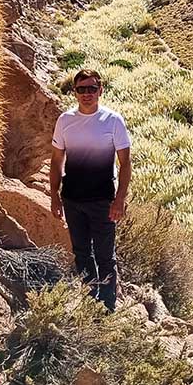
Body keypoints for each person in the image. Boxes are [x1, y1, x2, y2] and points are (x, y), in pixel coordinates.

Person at [49, 69, 131, 311]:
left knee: (106, 257)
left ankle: (106, 308)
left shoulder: (113, 121)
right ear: (74, 92)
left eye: (92, 89)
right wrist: (54, 195)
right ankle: (89, 303)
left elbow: (125, 163)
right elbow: (56, 160)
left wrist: (119, 200)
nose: (87, 94)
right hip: (72, 199)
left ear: (100, 90)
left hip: (102, 201)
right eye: (81, 89)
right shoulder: (65, 121)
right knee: (82, 253)